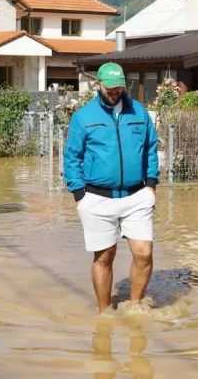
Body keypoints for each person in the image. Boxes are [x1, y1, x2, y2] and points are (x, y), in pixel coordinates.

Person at [64, 62, 159, 313]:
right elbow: (72, 156)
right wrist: (78, 194)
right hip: (97, 198)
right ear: (99, 85)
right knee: (104, 257)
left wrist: (151, 185)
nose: (115, 92)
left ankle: (135, 307)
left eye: (119, 88)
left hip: (137, 195)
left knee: (144, 253)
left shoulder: (138, 112)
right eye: (110, 88)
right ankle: (104, 313)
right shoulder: (83, 117)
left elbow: (151, 148)